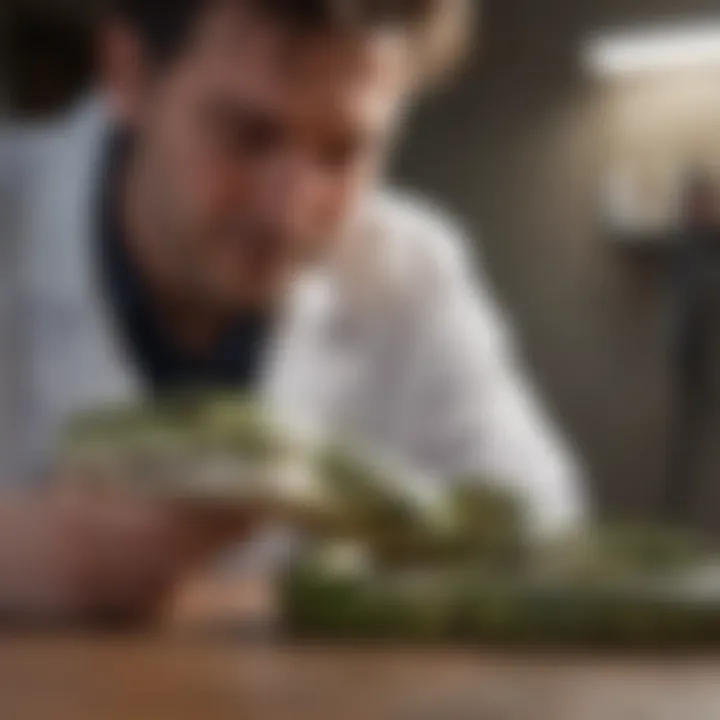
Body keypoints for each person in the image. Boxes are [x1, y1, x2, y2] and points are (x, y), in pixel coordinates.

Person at [0, 0, 585, 622]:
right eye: (247, 135)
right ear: (128, 73)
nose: (289, 210)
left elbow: (543, 534)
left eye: (343, 151)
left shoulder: (413, 274)